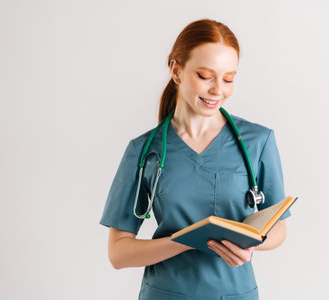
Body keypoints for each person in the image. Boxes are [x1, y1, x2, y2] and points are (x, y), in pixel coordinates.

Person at [99, 18, 291, 300]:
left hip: (235, 293)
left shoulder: (257, 141)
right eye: (204, 76)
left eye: (228, 79)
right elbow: (118, 253)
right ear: (176, 70)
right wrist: (185, 241)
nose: (218, 90)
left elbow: (278, 228)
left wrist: (252, 243)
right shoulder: (144, 150)